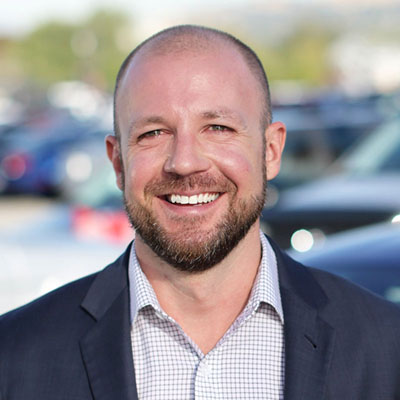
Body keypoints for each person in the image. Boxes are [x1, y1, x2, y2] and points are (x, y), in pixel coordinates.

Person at [1, 25, 400, 400]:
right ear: (118, 162)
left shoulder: (386, 347)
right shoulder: (15, 358)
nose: (185, 162)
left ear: (271, 151)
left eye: (218, 128)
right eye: (153, 133)